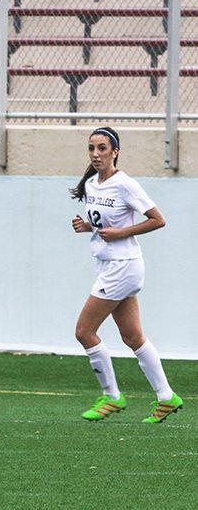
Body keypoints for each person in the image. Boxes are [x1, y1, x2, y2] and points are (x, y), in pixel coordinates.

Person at [71, 127, 183, 423]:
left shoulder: (125, 184)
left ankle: (112, 395)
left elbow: (158, 220)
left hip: (123, 266)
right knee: (132, 336)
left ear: (115, 151)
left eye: (102, 148)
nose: (96, 154)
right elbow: (104, 223)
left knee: (84, 331)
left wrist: (121, 232)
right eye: (92, 148)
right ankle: (166, 396)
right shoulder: (92, 184)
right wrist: (88, 227)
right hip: (110, 265)